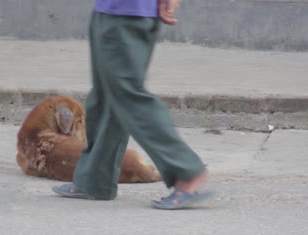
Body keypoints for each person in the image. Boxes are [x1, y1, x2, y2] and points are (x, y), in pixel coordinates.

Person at [52, 0, 213, 209]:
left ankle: (187, 171)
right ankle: (94, 179)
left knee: (130, 96)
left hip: (128, 14)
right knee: (105, 97)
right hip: (109, 10)